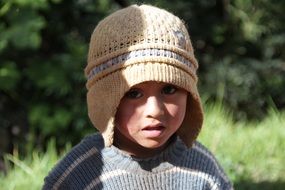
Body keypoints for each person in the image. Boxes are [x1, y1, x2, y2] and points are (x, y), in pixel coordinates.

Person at [43, 4, 233, 190]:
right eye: (134, 94)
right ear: (105, 100)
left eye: (168, 90)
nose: (155, 110)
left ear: (190, 94)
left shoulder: (204, 170)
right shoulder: (78, 175)